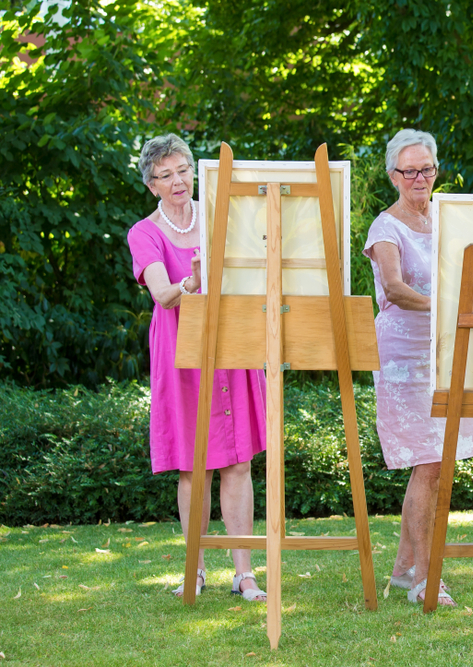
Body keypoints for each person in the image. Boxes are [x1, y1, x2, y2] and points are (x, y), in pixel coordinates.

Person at [127, 133, 267, 602]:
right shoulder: (143, 232)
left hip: (231, 341)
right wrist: (195, 280)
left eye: (182, 170)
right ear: (153, 186)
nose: (177, 180)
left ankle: (245, 573)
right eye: (165, 175)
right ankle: (196, 570)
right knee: (194, 466)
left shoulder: (219, 216)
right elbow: (163, 295)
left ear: (193, 170)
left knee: (240, 463)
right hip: (182, 351)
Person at [363, 129, 473, 606]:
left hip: (450, 349)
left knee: (440, 464)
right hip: (404, 358)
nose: (419, 178)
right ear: (393, 175)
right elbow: (394, 289)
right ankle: (424, 577)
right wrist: (447, 307)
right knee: (430, 465)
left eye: (427, 168)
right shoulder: (385, 227)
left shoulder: (450, 218)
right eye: (409, 170)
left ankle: (402, 568)